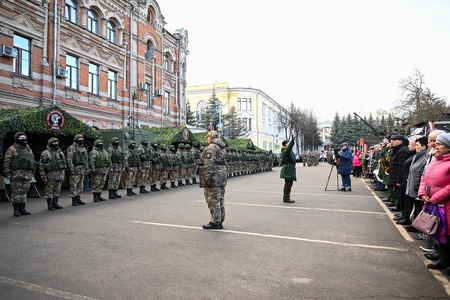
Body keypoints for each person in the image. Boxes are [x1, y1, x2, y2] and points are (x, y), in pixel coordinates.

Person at [418, 133, 450, 273]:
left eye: (440, 144)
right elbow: (425, 178)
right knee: (439, 231)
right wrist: (423, 193)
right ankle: (443, 259)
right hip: (433, 202)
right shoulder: (435, 160)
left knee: (448, 232)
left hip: (445, 203)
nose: (436, 146)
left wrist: (436, 197)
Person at [3, 132, 36, 216]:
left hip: (27, 174)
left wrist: (32, 172)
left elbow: (32, 161)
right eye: (20, 138)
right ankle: (16, 209)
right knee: (16, 192)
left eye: (24, 137)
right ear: (16, 139)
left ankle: (23, 208)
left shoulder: (28, 149)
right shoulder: (12, 149)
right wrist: (7, 173)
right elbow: (7, 161)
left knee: (24, 192)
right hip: (16, 174)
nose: (23, 139)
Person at [199, 131, 227, 229]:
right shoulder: (221, 147)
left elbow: (208, 164)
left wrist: (206, 178)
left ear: (210, 138)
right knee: (220, 199)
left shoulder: (212, 147)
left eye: (207, 137)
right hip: (221, 177)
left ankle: (215, 221)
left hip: (214, 177)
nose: (207, 139)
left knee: (212, 200)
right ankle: (219, 220)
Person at [39, 137, 66, 210]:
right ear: (50, 144)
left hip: (60, 175)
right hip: (50, 175)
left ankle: (55, 203)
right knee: (49, 190)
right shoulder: (45, 153)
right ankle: (50, 204)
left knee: (57, 190)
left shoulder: (60, 152)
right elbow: (41, 165)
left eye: (57, 142)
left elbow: (63, 163)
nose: (56, 144)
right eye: (54, 143)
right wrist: (43, 176)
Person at [387, 135, 410, 211]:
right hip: (395, 177)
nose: (392, 141)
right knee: (398, 195)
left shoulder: (403, 151)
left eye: (395, 140)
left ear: (400, 141)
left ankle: (401, 211)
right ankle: (400, 209)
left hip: (399, 179)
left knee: (400, 196)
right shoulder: (397, 150)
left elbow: (401, 167)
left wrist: (399, 180)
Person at [66, 134, 89, 206]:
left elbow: (86, 159)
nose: (81, 140)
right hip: (75, 170)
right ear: (75, 139)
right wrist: (71, 169)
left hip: (82, 170)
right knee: (74, 185)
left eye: (82, 138)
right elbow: (69, 160)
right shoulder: (71, 148)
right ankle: (74, 199)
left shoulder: (83, 148)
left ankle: (79, 198)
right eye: (79, 138)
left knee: (80, 185)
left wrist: (87, 169)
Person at [280, 136, 296, 202]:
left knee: (289, 184)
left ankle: (287, 197)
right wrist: (292, 142)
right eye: (288, 143)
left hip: (290, 168)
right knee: (288, 184)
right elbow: (289, 149)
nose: (289, 144)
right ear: (285, 145)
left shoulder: (288, 151)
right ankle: (286, 198)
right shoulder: (285, 151)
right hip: (288, 169)